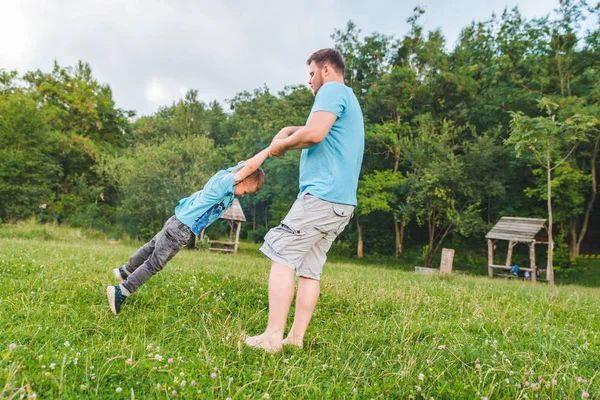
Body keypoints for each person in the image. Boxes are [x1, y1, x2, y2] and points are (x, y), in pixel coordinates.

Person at [245, 48, 364, 352]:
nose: (309, 81)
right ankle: (295, 340)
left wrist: (280, 147)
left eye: (311, 73)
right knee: (310, 269)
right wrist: (286, 131)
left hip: (321, 197)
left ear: (326, 69)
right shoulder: (348, 100)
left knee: (282, 253)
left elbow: (314, 134)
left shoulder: (332, 90)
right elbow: (314, 129)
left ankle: (272, 337)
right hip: (341, 204)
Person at [106, 147, 271, 315]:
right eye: (245, 191)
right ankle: (122, 291)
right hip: (182, 228)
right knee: (154, 264)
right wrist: (271, 150)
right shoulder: (225, 183)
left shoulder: (224, 175)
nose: (243, 195)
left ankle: (125, 270)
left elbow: (247, 165)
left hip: (176, 220)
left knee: (152, 246)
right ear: (242, 179)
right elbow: (249, 167)